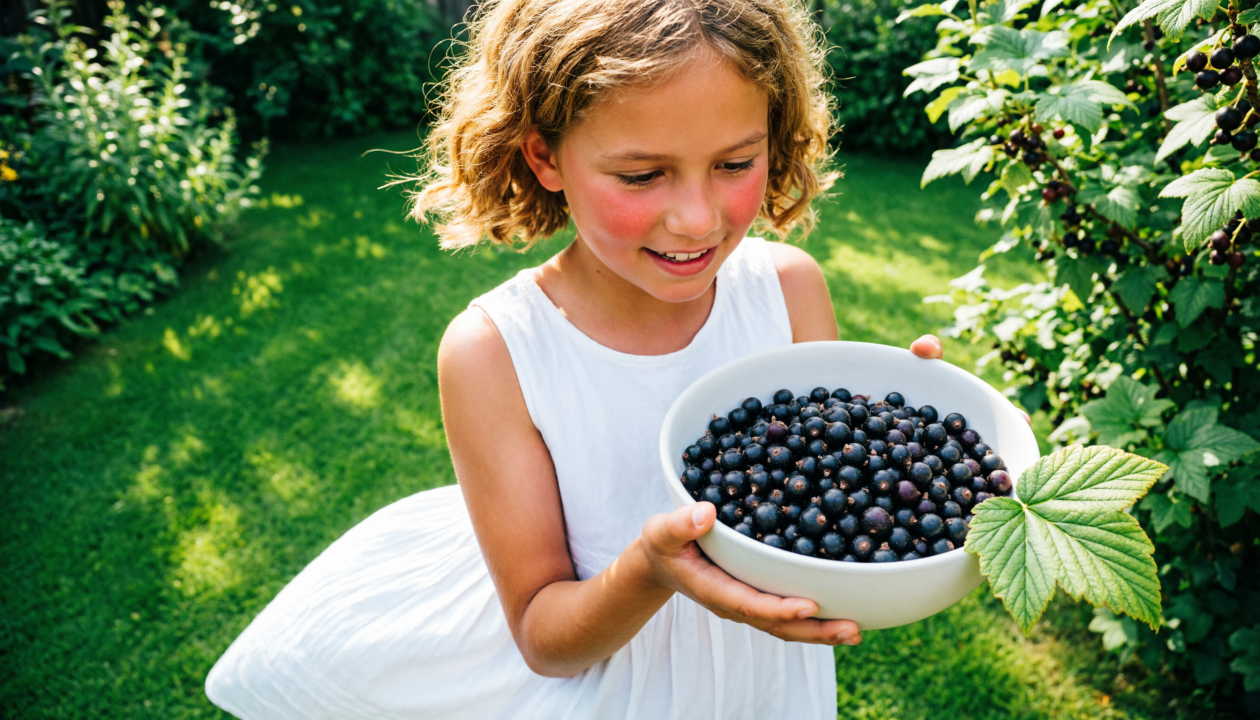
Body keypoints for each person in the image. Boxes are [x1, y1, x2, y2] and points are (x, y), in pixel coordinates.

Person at [204, 0, 952, 717]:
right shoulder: (497, 352)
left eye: (734, 162)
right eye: (640, 175)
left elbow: (830, 496)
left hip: (766, 687)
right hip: (611, 683)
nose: (697, 217)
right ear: (546, 157)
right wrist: (651, 570)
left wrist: (907, 438)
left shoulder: (790, 291)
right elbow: (543, 637)